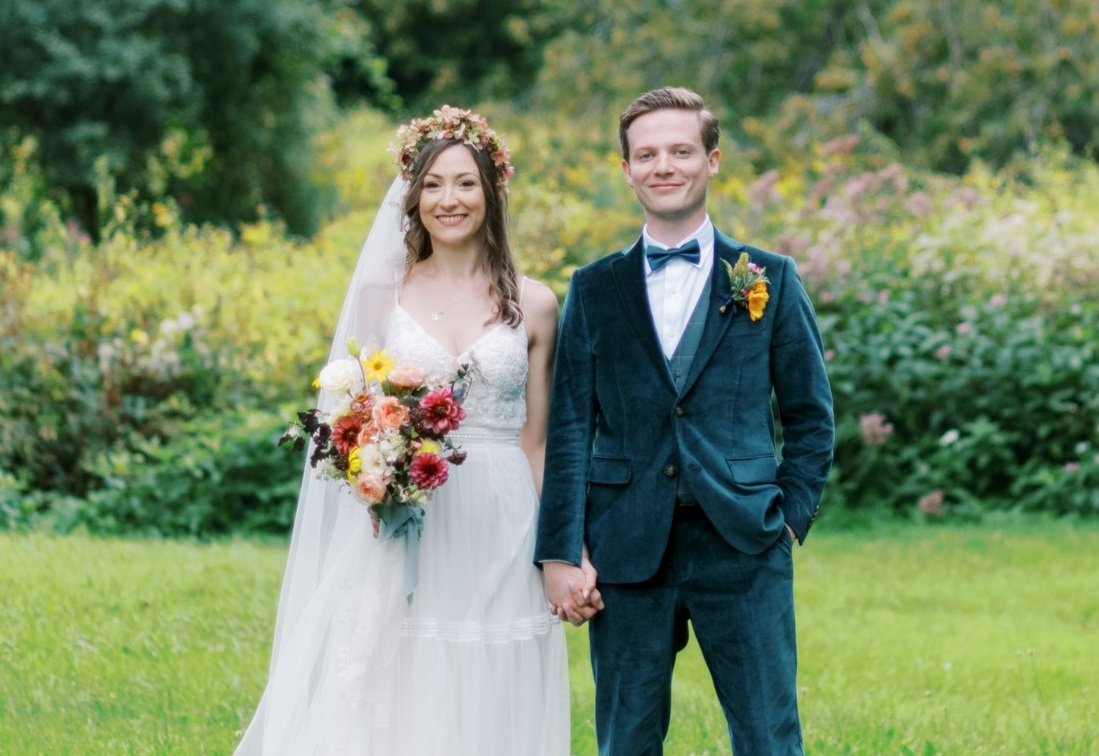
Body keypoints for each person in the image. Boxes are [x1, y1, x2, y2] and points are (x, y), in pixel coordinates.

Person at [236, 106, 571, 755]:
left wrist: (558, 545)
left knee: (492, 664)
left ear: (491, 191)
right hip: (411, 513)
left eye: (465, 182)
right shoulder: (379, 295)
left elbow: (538, 441)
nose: (450, 200)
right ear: (413, 197)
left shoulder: (535, 303)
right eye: (434, 184)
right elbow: (354, 415)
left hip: (503, 514)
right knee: (401, 666)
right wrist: (373, 463)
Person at [536, 87, 835, 754]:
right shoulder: (593, 288)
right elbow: (567, 432)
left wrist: (787, 516)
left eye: (679, 150)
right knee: (626, 738)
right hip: (626, 546)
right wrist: (561, 550)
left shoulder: (769, 278)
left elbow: (810, 417)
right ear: (626, 170)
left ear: (712, 160)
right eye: (645, 154)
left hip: (743, 541)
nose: (662, 165)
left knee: (767, 734)